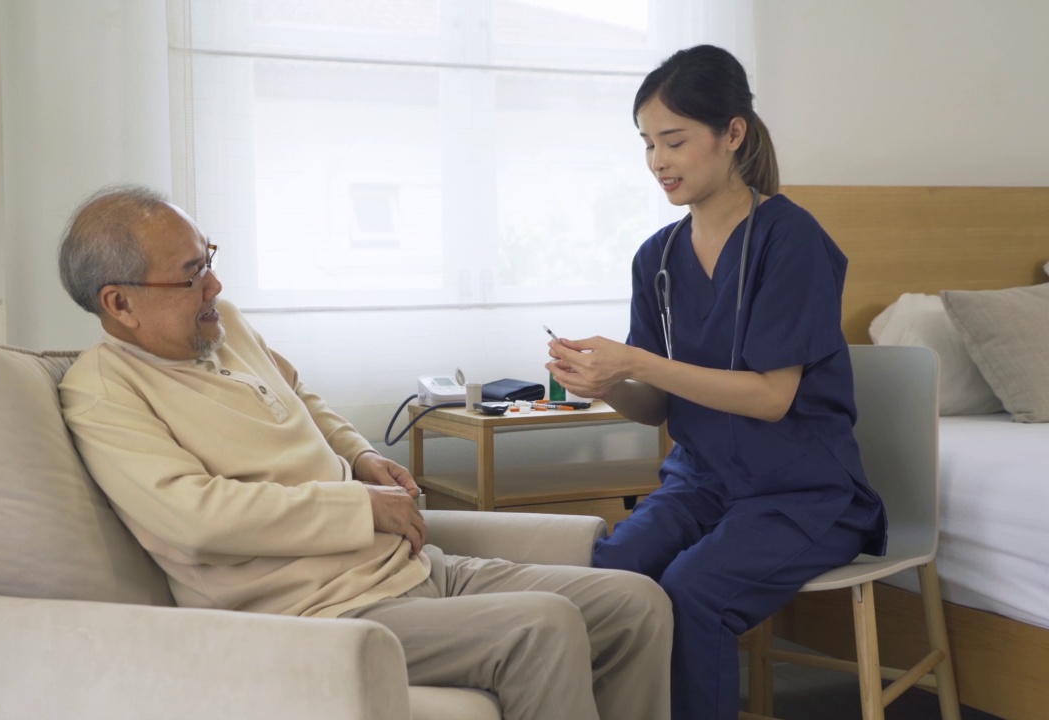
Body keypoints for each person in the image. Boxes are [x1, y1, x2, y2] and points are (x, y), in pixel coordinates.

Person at [56, 184, 672, 720]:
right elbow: (193, 521)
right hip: (318, 614)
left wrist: (360, 456)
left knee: (635, 601)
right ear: (120, 303)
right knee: (542, 626)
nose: (214, 283)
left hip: (413, 571)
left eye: (209, 258)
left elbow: (298, 395)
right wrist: (361, 507)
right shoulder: (105, 390)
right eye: (192, 273)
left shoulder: (225, 325)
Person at [545, 45, 887, 720]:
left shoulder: (790, 240)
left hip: (801, 493)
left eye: (673, 141)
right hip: (701, 482)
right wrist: (605, 381)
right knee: (608, 576)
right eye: (647, 144)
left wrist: (635, 362)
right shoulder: (658, 258)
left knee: (691, 592)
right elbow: (655, 409)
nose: (658, 162)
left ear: (732, 134)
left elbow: (771, 397)